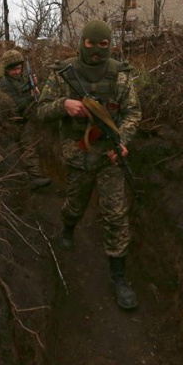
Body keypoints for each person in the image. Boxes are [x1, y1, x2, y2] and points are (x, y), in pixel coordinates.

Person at [36, 20, 142, 310]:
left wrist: (123, 140)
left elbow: (133, 112)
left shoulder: (120, 75)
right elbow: (41, 110)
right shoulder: (62, 73)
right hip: (78, 155)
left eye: (103, 46)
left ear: (111, 45)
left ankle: (119, 277)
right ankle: (68, 227)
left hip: (109, 155)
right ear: (82, 42)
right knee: (75, 204)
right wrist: (64, 106)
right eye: (91, 44)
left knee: (116, 215)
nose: (96, 51)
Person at [0, 49, 52, 190]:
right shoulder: (3, 85)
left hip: (28, 117)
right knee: (28, 147)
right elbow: (16, 103)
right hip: (15, 121)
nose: (17, 72)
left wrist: (33, 85)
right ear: (6, 69)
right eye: (13, 69)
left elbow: (31, 92)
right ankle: (35, 178)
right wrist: (31, 94)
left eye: (19, 68)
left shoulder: (20, 78)